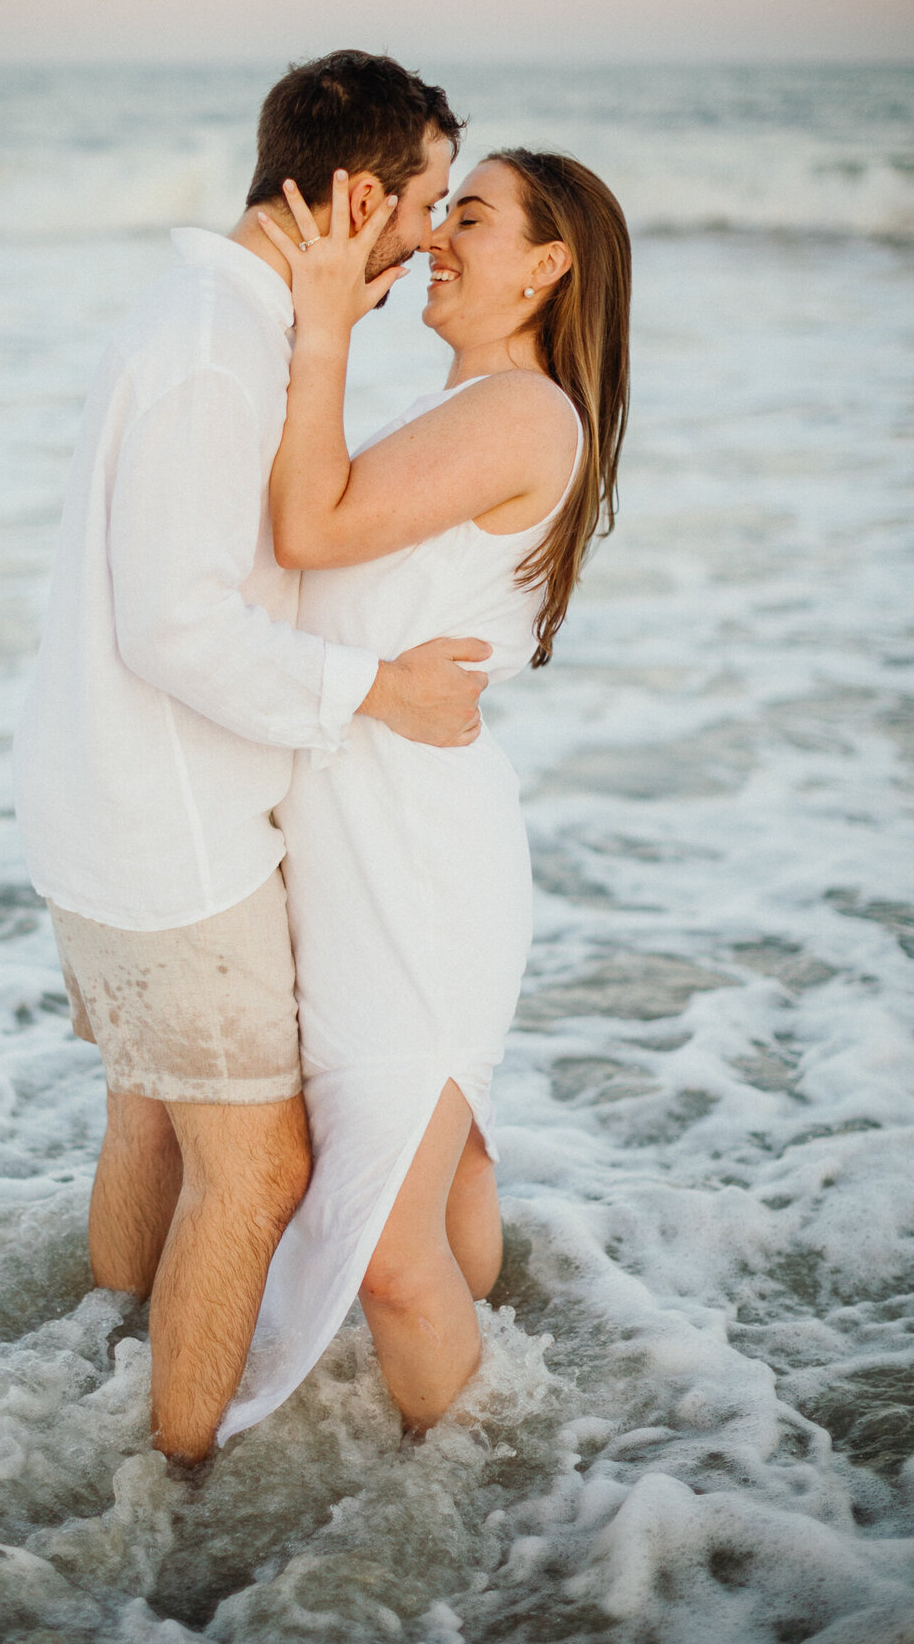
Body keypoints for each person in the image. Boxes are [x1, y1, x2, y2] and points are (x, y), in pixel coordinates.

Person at [12, 52, 494, 1465]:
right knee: (260, 1168)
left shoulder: (205, 318)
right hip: (174, 838)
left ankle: (107, 1347)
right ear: (355, 196)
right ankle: (172, 1490)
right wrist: (374, 688)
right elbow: (178, 626)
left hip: (102, 806)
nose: (426, 239)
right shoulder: (224, 355)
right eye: (425, 205)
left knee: (154, 1120)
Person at [219, 147, 631, 1443]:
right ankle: (563, 1436)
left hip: (417, 860)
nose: (440, 238)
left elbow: (309, 531)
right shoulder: (469, 414)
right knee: (444, 1205)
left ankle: (489, 1531)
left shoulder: (519, 412)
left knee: (395, 1260)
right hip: (372, 839)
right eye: (443, 213)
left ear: (548, 266)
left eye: (473, 217)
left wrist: (327, 320)